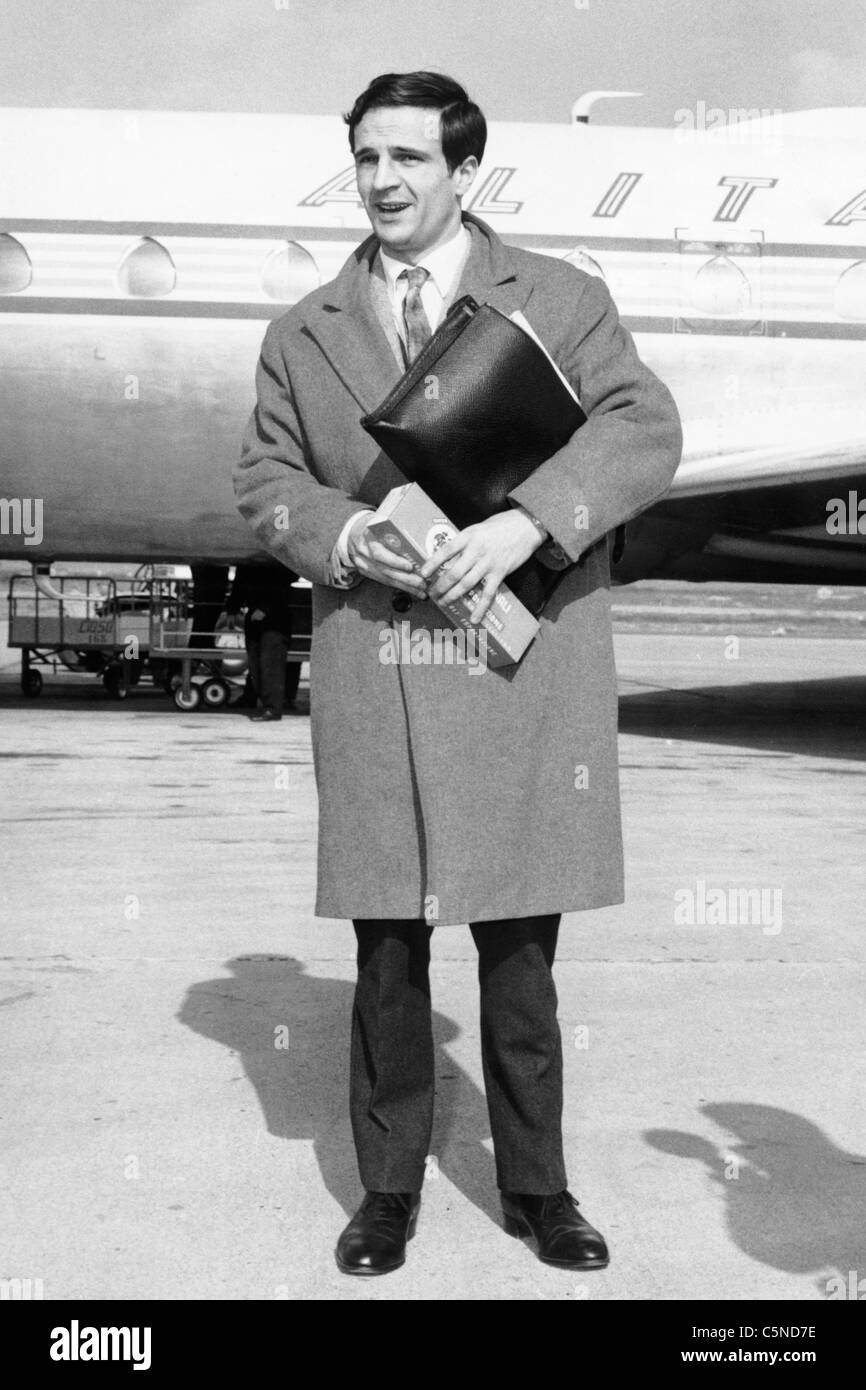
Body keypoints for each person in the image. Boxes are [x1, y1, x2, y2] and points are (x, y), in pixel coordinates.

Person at [233, 71, 682, 1276]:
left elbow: (643, 429)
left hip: (514, 670)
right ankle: (386, 1191)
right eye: (367, 158)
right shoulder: (304, 332)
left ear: (461, 172)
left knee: (518, 954)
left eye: (408, 160)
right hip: (378, 662)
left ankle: (539, 1188)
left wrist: (528, 522)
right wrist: (340, 534)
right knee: (387, 951)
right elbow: (266, 482)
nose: (382, 181)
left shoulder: (560, 299)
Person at [223, 563, 300, 719]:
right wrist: (232, 609)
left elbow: (287, 580)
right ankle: (262, 701)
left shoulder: (277, 559)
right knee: (256, 663)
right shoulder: (250, 561)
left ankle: (272, 708)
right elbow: (240, 581)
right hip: (254, 615)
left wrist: (266, 608)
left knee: (270, 664)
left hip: (275, 617)